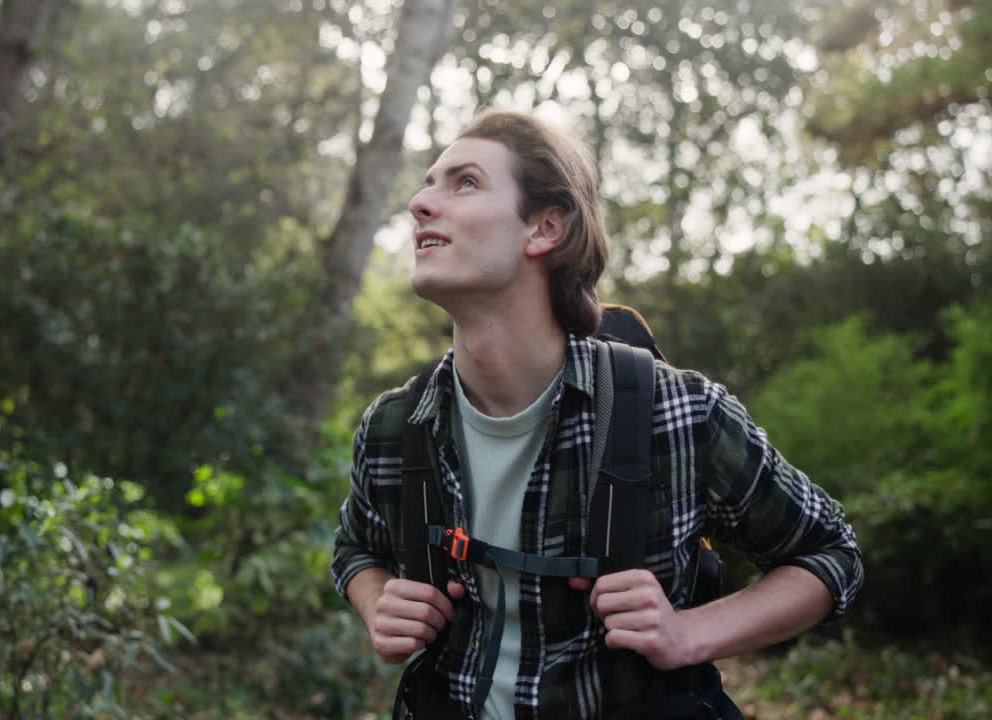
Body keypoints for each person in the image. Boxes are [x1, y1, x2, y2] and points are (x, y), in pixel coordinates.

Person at [331, 109, 863, 719]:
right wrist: (378, 604)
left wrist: (688, 633)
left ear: (545, 228)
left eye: (465, 182)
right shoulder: (393, 428)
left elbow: (830, 554)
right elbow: (355, 547)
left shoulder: (679, 412)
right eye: (427, 183)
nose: (420, 202)